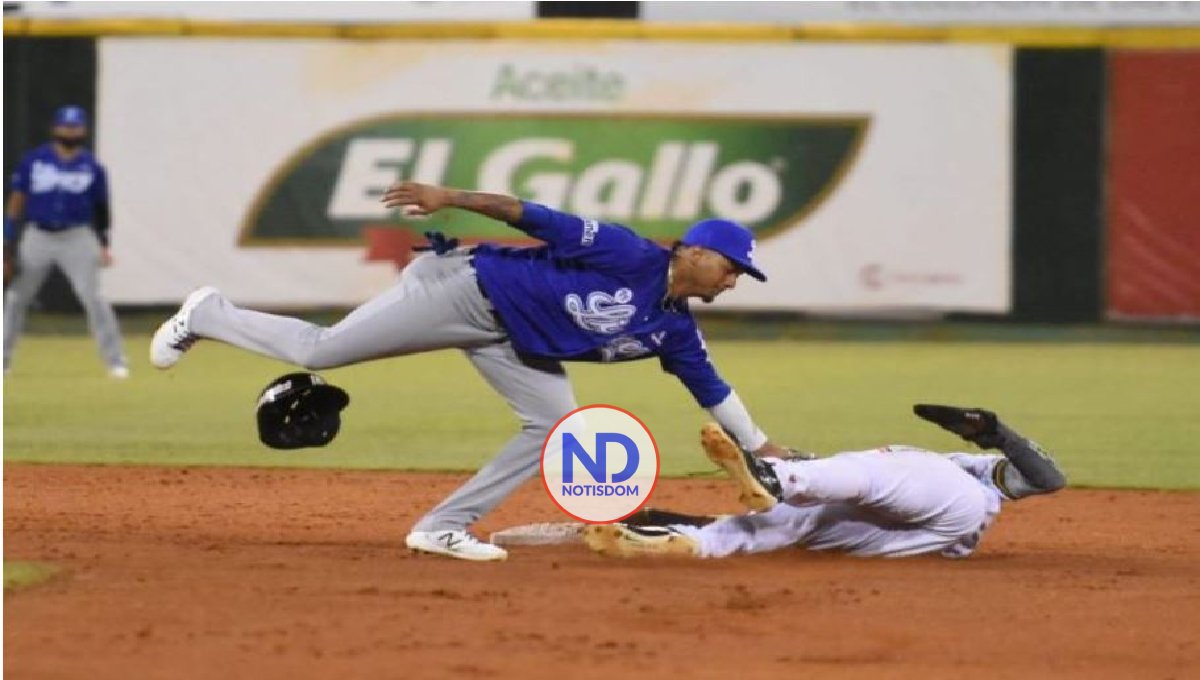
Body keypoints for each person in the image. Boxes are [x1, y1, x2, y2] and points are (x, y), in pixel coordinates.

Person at [149, 181, 797, 561]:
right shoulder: (628, 253)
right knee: (323, 351)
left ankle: (441, 527)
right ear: (695, 251)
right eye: (733, 267)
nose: (737, 281)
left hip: (513, 338)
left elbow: (712, 389)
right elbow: (533, 216)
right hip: (468, 289)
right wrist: (448, 199)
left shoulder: (676, 327)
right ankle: (210, 313)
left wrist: (763, 447)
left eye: (742, 275)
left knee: (553, 427)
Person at [583, 404, 1067, 560]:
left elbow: (1048, 479)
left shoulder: (981, 481)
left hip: (954, 510)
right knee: (780, 524)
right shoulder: (945, 471)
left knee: (873, 470)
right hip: (891, 537)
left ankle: (775, 476)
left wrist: (995, 433)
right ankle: (675, 542)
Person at [4, 106, 128, 378]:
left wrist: (104, 243)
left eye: (75, 127)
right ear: (55, 129)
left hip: (78, 236)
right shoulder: (34, 161)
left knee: (94, 297)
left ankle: (115, 361)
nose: (70, 132)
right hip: (38, 235)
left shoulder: (92, 167)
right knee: (14, 297)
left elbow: (101, 208)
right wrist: (7, 238)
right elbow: (17, 200)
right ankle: (3, 359)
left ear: (83, 130)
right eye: (66, 127)